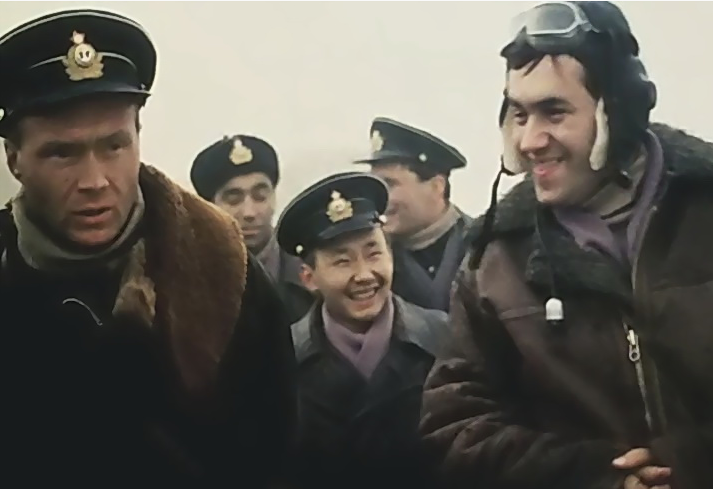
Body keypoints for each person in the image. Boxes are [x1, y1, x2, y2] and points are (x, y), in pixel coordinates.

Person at [420, 2, 713, 489]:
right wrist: (596, 473)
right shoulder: (494, 263)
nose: (530, 140)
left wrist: (690, 462)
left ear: (620, 110)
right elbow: (454, 426)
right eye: (519, 114)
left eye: (553, 112)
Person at [0, 8, 296, 486]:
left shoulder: (227, 272)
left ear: (138, 137)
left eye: (114, 146)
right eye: (62, 153)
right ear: (15, 159)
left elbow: (273, 458)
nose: (95, 181)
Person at [276, 171, 448, 489]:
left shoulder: (443, 339)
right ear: (309, 278)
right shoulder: (282, 361)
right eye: (342, 261)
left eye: (374, 253)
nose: (364, 275)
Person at [191, 134, 313, 323]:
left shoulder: (310, 270)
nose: (249, 212)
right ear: (208, 207)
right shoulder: (186, 278)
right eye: (233, 200)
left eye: (260, 196)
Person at [355, 117, 472, 312]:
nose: (379, 198)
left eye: (390, 184)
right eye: (375, 185)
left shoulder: (484, 245)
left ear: (437, 186)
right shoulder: (369, 258)